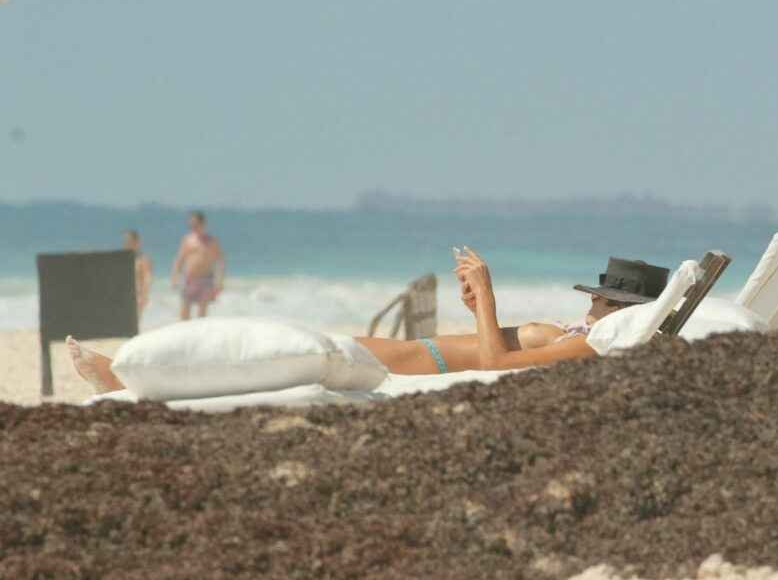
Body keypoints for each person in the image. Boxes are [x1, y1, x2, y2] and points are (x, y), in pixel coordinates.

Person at [67, 251, 670, 392]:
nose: (589, 308)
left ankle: (125, 377)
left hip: (417, 365)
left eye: (597, 301)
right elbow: (498, 347)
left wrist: (488, 299)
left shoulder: (591, 347)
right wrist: (480, 311)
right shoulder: (578, 335)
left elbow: (494, 365)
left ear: (616, 311)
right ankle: (130, 372)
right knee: (280, 347)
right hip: (420, 351)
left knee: (278, 355)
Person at [171, 210, 225, 320]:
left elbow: (220, 261)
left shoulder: (211, 241)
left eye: (195, 224)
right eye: (191, 224)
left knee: (202, 313)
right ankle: (184, 334)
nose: (193, 227)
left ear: (203, 224)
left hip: (206, 279)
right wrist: (174, 277)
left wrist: (219, 283)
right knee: (184, 312)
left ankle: (200, 335)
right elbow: (179, 259)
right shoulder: (188, 240)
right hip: (189, 279)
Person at [123, 229, 152, 323]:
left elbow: (147, 279)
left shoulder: (143, 259)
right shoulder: (124, 260)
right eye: (125, 242)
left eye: (129, 242)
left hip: (137, 296)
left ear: (136, 242)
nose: (126, 244)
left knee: (134, 324)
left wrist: (144, 296)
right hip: (124, 296)